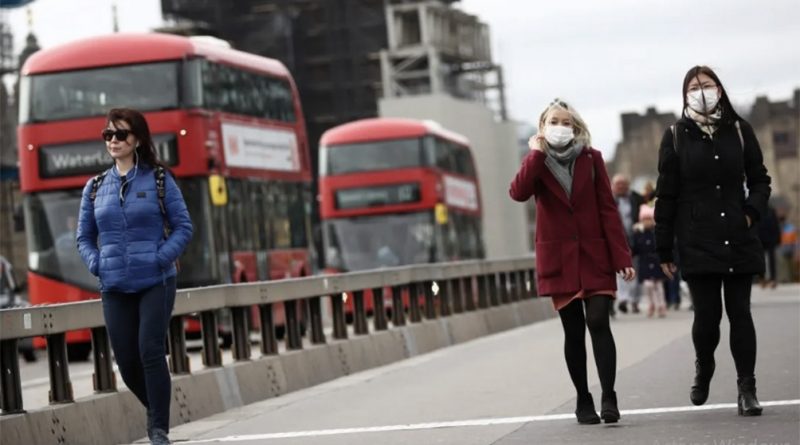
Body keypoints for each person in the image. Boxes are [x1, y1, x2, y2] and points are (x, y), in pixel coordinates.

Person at [510, 99, 635, 425]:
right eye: (554, 121)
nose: (560, 127)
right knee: (574, 331)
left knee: (599, 320)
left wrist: (621, 256)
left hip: (594, 255)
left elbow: (607, 209)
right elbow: (518, 193)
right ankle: (583, 397)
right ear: (542, 127)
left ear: (576, 128)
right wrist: (536, 154)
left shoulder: (591, 159)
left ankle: (609, 395)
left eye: (567, 122)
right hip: (559, 259)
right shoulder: (536, 161)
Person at [654, 66, 771, 417]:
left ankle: (747, 388)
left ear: (719, 90)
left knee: (740, 313)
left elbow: (760, 179)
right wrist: (664, 248)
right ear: (685, 94)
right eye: (694, 87)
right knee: (707, 318)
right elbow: (666, 195)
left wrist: (750, 213)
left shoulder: (739, 130)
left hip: (737, 235)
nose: (701, 91)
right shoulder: (675, 136)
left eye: (707, 85)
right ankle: (704, 365)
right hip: (697, 238)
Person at [77, 108, 193, 444]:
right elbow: (84, 237)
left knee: (150, 350)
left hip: (156, 281)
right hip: (113, 284)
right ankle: (156, 409)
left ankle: (158, 429)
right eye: (108, 135)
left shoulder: (159, 180)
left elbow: (184, 227)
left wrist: (160, 258)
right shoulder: (95, 187)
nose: (113, 141)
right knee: (127, 362)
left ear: (137, 139)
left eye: (121, 134)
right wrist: (97, 263)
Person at [611, 174, 644, 314]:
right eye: (618, 184)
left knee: (637, 271)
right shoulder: (609, 199)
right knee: (621, 271)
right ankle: (623, 299)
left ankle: (635, 300)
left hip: (636, 239)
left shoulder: (636, 198)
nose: (621, 187)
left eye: (623, 184)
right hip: (619, 240)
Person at [631, 204, 667, 317]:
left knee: (658, 285)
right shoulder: (638, 234)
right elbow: (635, 249)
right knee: (648, 285)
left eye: (649, 219)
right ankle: (651, 303)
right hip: (645, 262)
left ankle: (661, 305)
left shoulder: (656, 233)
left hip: (656, 262)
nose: (647, 222)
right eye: (644, 219)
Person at [757, 205, 781, 288]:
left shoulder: (771, 211)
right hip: (761, 239)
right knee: (761, 260)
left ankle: (773, 279)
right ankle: (762, 278)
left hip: (771, 239)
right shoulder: (757, 209)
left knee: (771, 260)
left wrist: (777, 238)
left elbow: (776, 225)